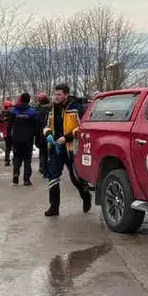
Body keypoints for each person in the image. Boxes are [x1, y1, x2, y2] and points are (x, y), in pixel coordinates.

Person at [43, 83, 93, 217]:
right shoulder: (52, 108)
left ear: (66, 94)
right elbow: (46, 125)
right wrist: (48, 134)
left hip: (71, 147)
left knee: (75, 177)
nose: (56, 97)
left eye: (59, 94)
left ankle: (86, 196)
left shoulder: (76, 108)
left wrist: (67, 137)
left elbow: (83, 127)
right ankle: (54, 206)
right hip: (55, 147)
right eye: (55, 94)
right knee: (53, 175)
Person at [9, 92, 42, 186]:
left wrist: (10, 136)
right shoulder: (32, 111)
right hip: (28, 138)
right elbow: (37, 126)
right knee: (27, 159)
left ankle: (16, 173)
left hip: (16, 137)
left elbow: (9, 124)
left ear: (21, 99)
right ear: (29, 100)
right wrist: (37, 136)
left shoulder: (14, 110)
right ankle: (26, 179)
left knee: (17, 157)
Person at [35, 92, 53, 179]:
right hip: (50, 133)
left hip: (40, 133)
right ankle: (51, 170)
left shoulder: (36, 110)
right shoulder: (52, 109)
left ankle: (43, 169)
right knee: (51, 152)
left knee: (43, 152)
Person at [0, 100, 14, 166]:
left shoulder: (1, 115)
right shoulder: (13, 113)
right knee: (14, 146)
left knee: (8, 147)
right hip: (13, 132)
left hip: (6, 133)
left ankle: (6, 160)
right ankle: (15, 159)